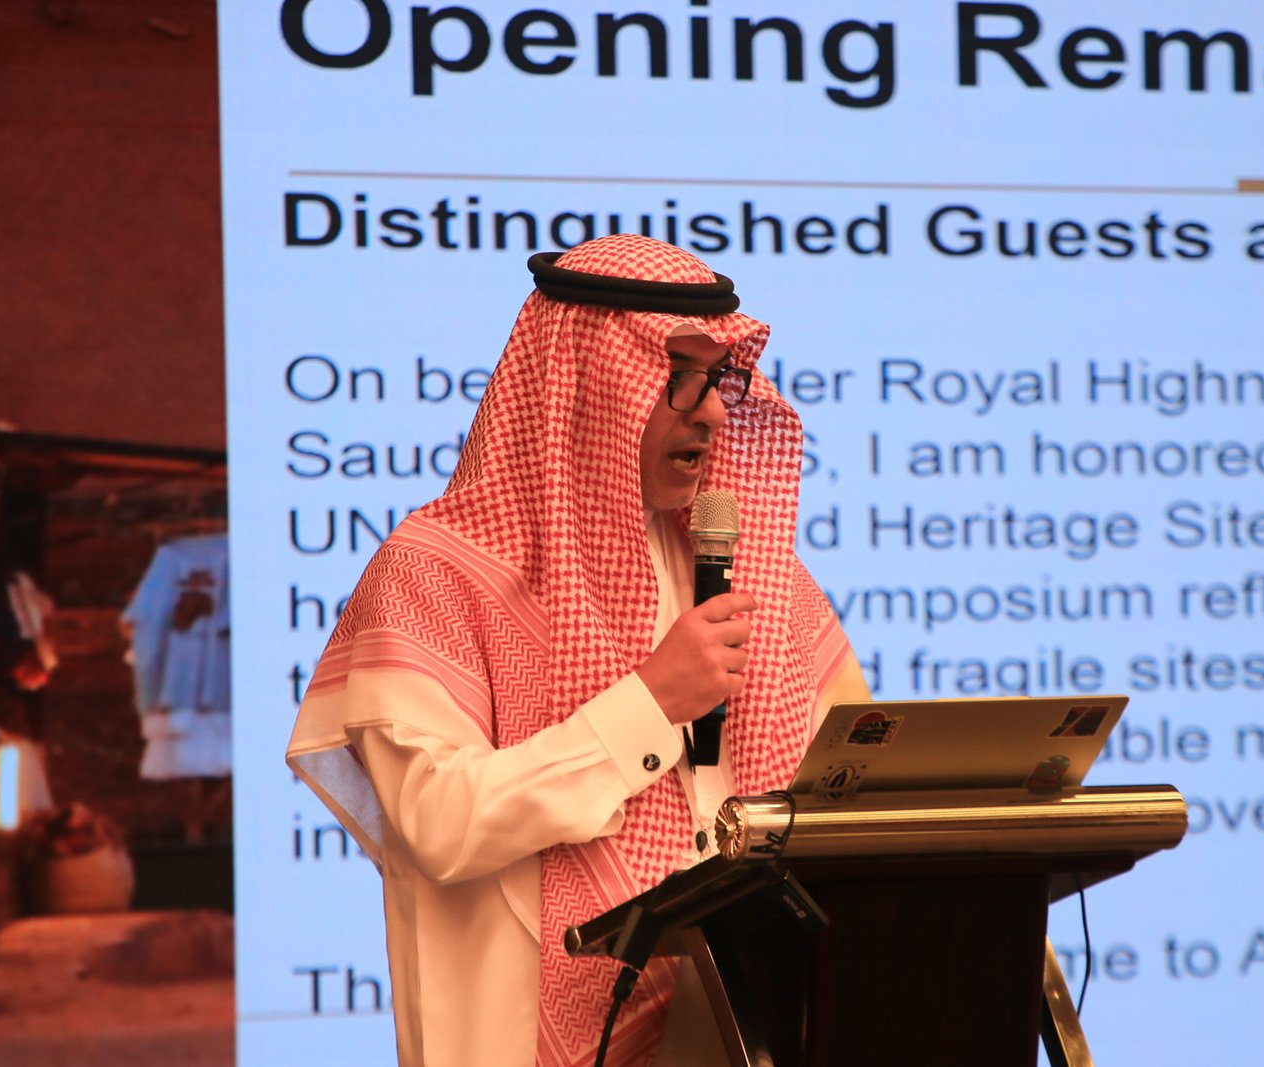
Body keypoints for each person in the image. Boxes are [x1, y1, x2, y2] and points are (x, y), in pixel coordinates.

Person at [287, 234, 868, 1066]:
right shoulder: (435, 573)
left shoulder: (757, 573)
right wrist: (650, 704)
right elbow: (439, 822)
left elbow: (855, 780)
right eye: (680, 377)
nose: (711, 413)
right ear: (590, 385)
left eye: (720, 380)